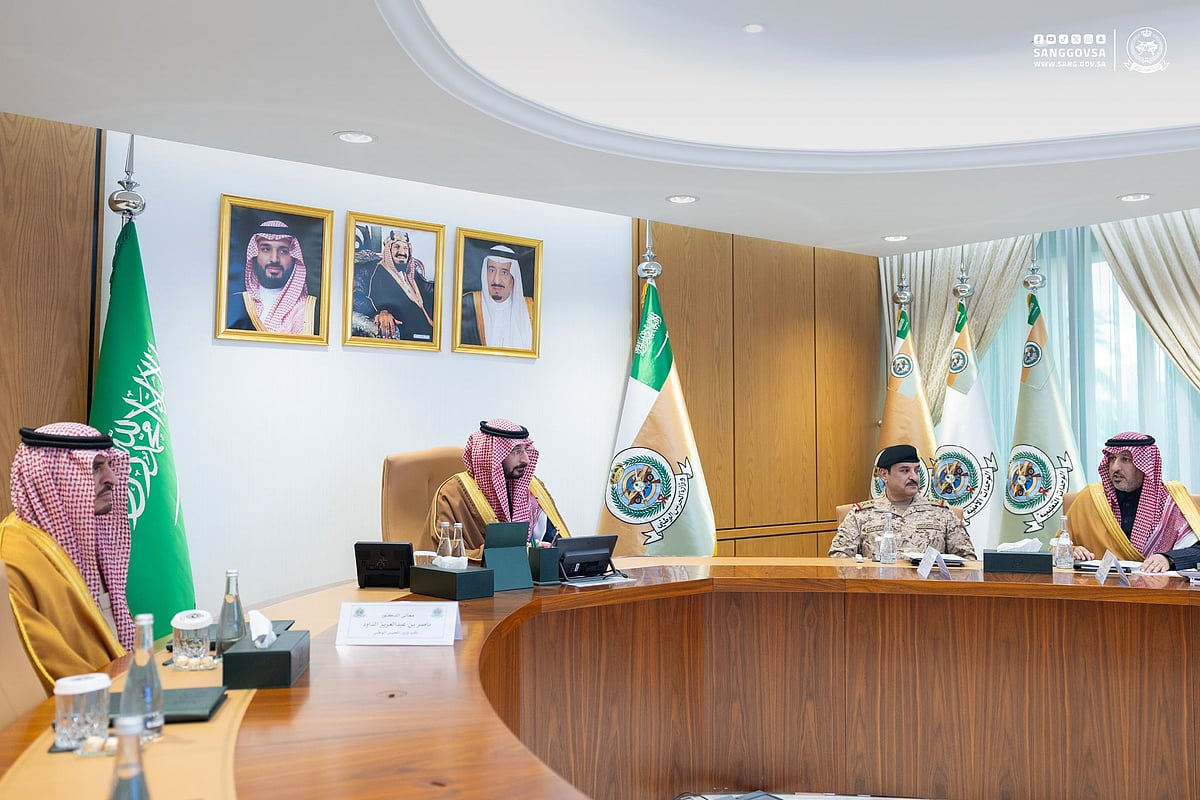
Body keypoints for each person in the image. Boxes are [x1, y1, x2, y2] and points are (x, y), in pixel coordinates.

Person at [0, 423, 133, 689]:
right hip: (82, 702)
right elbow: (51, 667)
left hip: (117, 687)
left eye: (109, 465)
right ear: (50, 477)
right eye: (95, 468)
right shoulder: (13, 559)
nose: (112, 479)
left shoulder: (87, 539)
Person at [423, 419, 569, 561]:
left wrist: (545, 550)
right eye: (516, 451)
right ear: (492, 455)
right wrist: (515, 553)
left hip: (528, 575)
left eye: (525, 450)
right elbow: (445, 555)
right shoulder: (452, 494)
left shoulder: (532, 488)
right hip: (479, 576)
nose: (526, 460)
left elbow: (555, 540)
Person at [1068, 432, 1200, 572]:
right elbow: (1058, 546)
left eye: (1126, 459)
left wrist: (1168, 558)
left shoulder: (1171, 500)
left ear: (1145, 465)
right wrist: (1073, 550)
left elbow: (1198, 549)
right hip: (1100, 583)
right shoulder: (1090, 498)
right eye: (1112, 458)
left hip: (1156, 584)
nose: (1115, 467)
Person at [829, 443, 976, 559]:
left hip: (929, 586)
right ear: (884, 475)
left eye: (916, 470)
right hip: (879, 586)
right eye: (905, 470)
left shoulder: (941, 512)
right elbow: (838, 558)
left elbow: (967, 559)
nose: (914, 477)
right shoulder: (861, 515)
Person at [227, 219, 318, 335]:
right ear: (255, 254)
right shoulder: (236, 303)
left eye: (283, 251)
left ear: (294, 257)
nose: (274, 259)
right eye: (266, 249)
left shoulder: (308, 309)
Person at [352, 229, 435, 342]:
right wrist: (381, 313)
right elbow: (358, 296)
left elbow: (429, 290)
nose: (402, 252)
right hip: (407, 335)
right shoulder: (378, 271)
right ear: (389, 250)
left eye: (405, 248)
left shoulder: (412, 274)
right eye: (397, 247)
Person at [459, 245, 534, 348]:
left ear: (513, 277)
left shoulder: (531, 310)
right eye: (492, 270)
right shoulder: (468, 304)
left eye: (504, 272)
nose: (496, 280)